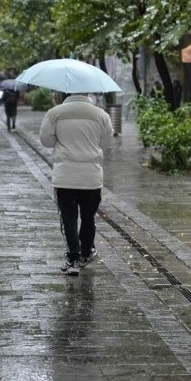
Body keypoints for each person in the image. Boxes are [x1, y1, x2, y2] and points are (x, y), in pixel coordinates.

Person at [39, 92, 113, 276]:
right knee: (88, 217)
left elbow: (46, 141)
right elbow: (105, 143)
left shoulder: (54, 113)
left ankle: (73, 257)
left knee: (69, 218)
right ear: (87, 92)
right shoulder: (101, 115)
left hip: (65, 177)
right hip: (91, 177)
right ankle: (86, 252)